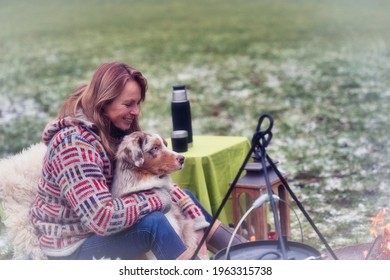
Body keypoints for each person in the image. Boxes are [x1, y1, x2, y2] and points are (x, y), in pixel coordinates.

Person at [31, 61, 246, 260]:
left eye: (138, 103)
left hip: (101, 225)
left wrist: (195, 220)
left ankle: (250, 255)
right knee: (153, 223)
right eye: (128, 104)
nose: (136, 111)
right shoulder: (73, 145)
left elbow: (163, 188)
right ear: (103, 102)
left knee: (185, 197)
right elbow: (101, 218)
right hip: (73, 245)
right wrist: (160, 199)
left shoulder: (112, 130)